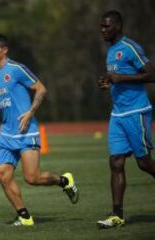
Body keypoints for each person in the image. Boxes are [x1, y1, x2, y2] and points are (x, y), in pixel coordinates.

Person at [0, 33, 79, 226]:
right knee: (3, 174)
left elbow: (41, 89)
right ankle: (24, 216)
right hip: (5, 134)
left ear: (4, 51)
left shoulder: (17, 69)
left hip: (26, 132)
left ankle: (64, 181)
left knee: (32, 178)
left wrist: (30, 112)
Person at [97, 10, 155, 229]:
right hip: (118, 114)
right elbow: (116, 79)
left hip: (136, 112)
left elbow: (151, 74)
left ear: (118, 27)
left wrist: (121, 78)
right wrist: (107, 83)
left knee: (144, 163)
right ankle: (117, 215)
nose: (102, 29)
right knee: (116, 162)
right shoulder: (110, 51)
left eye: (106, 26)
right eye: (101, 26)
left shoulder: (130, 47)